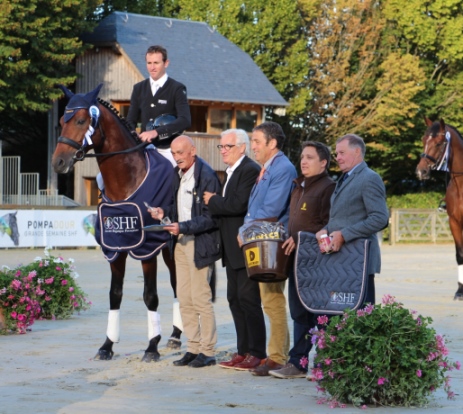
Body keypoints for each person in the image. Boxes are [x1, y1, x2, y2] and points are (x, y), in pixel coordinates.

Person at [126, 44, 192, 348]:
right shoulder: (139, 88)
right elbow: (130, 122)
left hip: (167, 150)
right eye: (149, 62)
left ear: (166, 62)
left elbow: (184, 121)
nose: (152, 67)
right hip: (143, 150)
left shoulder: (177, 88)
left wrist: (156, 134)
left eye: (156, 63)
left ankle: (175, 218)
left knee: (170, 178)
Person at [148, 135, 221, 368]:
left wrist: (183, 226)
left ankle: (208, 351)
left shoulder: (207, 176)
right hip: (179, 243)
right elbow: (177, 207)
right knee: (185, 300)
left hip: (200, 243)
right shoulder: (176, 174)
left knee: (201, 299)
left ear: (193, 151)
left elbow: (211, 218)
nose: (176, 157)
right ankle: (193, 348)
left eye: (180, 152)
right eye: (173, 153)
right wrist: (163, 212)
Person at [268, 141, 335, 379]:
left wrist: (301, 238)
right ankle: (298, 363)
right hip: (295, 261)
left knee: (320, 313)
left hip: (317, 263)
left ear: (323, 163)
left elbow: (329, 225)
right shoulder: (298, 186)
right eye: (302, 157)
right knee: (298, 312)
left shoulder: (329, 188)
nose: (303, 162)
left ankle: (326, 364)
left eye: (309, 158)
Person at [203, 129, 267, 371]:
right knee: (234, 299)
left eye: (227, 146)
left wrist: (212, 200)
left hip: (245, 246)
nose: (223, 150)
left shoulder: (249, 169)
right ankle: (243, 351)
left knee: (249, 300)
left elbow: (237, 204)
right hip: (230, 248)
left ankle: (257, 353)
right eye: (221, 147)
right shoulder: (231, 171)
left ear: (242, 147)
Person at [241, 121, 297, 377]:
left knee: (273, 300)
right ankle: (275, 354)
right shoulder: (268, 167)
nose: (252, 146)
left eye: (256, 142)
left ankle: (277, 357)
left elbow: (271, 210)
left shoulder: (283, 168)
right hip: (262, 239)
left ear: (272, 143)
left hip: (272, 241)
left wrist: (244, 231)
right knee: (268, 300)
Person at [315, 134, 389, 306]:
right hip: (341, 262)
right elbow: (345, 216)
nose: (337, 158)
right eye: (336, 154)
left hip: (359, 261)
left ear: (357, 152)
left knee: (359, 321)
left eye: (341, 153)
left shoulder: (370, 178)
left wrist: (344, 235)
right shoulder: (344, 178)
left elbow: (380, 218)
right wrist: (326, 229)